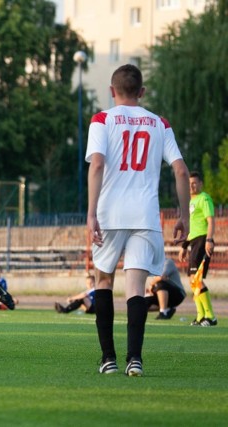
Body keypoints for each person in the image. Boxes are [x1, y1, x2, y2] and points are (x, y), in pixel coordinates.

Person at [86, 64, 190, 376]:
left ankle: (108, 359)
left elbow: (97, 165)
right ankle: (135, 359)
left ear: (111, 91)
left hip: (109, 213)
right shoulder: (160, 123)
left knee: (104, 281)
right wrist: (184, 215)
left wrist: (91, 213)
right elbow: (181, 170)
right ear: (142, 92)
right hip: (145, 215)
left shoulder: (102, 119)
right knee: (136, 286)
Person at [179, 172, 218, 326]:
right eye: (189, 183)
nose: (192, 186)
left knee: (197, 279)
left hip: (203, 241)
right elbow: (191, 229)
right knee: (192, 280)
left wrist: (209, 240)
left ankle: (211, 316)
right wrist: (184, 246)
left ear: (200, 184)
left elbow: (211, 221)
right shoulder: (190, 202)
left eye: (194, 183)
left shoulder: (204, 198)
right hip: (194, 242)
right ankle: (200, 315)